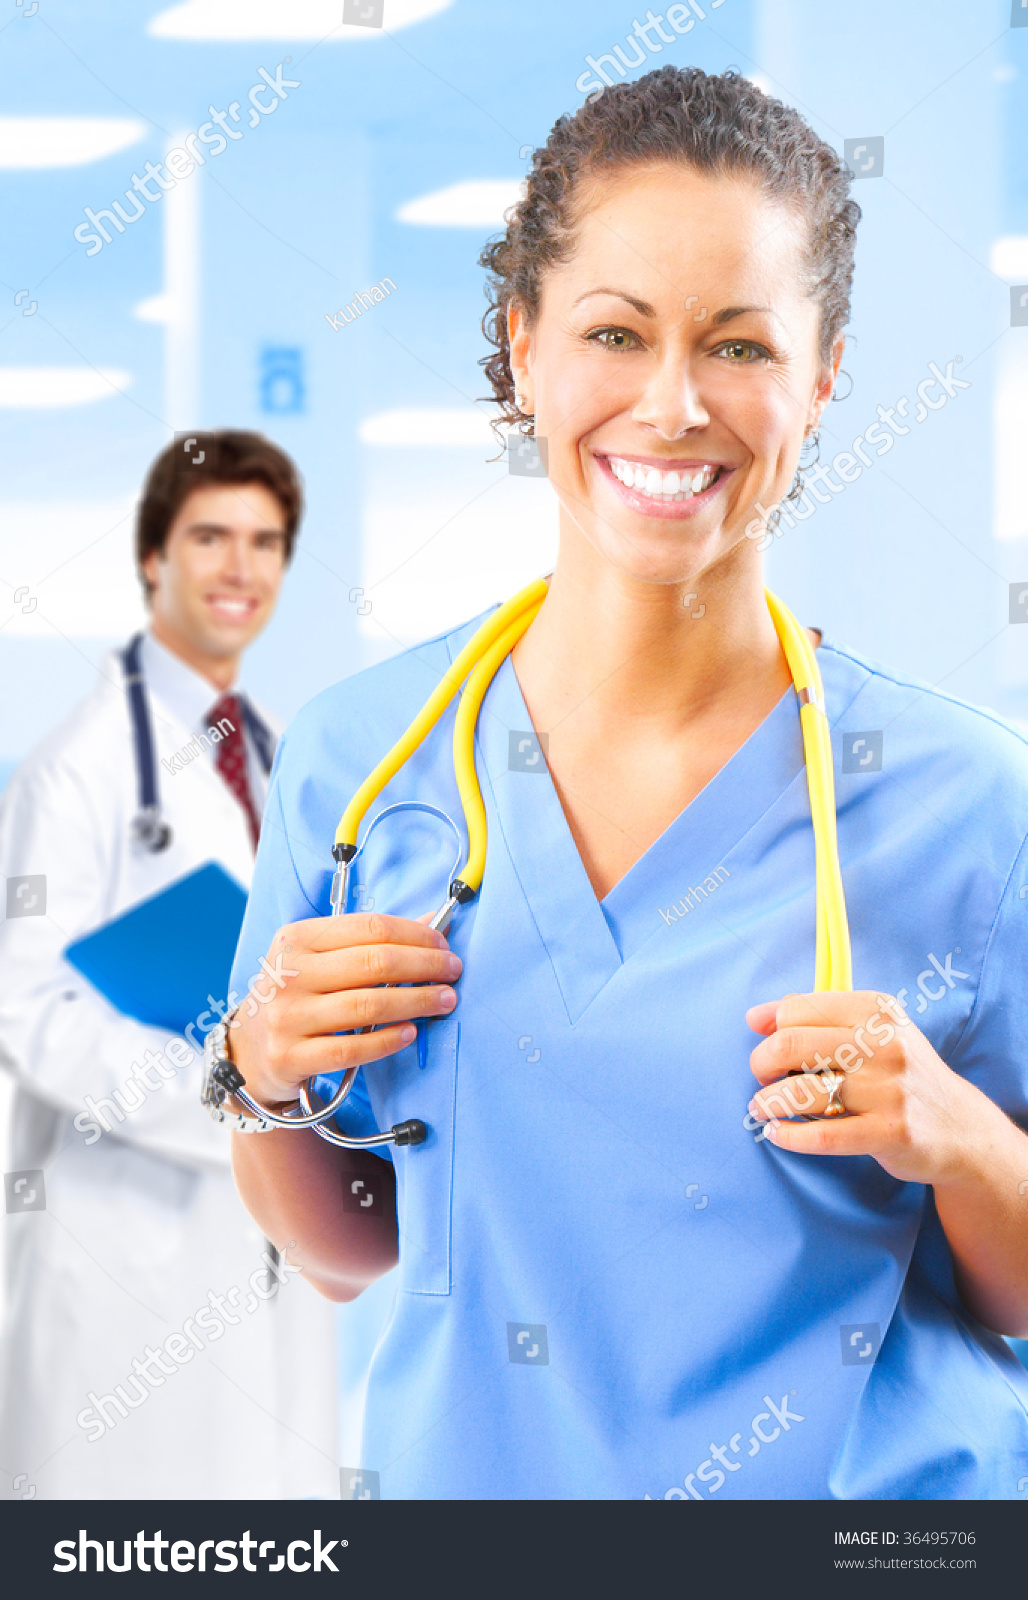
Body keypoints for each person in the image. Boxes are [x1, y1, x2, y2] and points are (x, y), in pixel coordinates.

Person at [222, 70, 1028, 1500]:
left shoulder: (969, 800)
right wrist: (261, 1074)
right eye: (614, 333)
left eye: (739, 345)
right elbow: (351, 1251)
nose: (671, 405)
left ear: (822, 374)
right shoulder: (364, 769)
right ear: (525, 349)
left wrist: (957, 1137)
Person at [0, 431, 338, 1499]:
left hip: (276, 1239)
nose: (240, 568)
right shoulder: (80, 767)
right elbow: (28, 1003)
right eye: (210, 538)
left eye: (265, 542)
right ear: (152, 557)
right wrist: (220, 1089)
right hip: (127, 1247)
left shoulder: (286, 750)